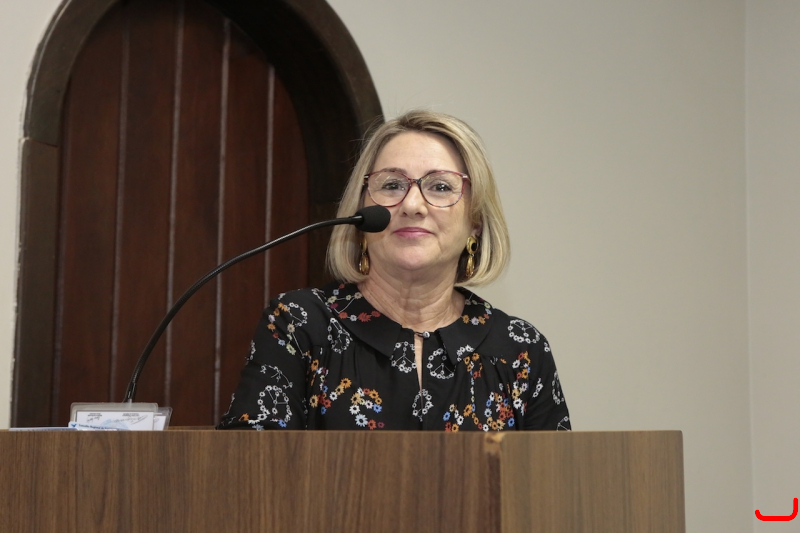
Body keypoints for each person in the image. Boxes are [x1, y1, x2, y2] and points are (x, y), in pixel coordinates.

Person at [217, 110, 570, 431]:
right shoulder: (299, 324)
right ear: (361, 211)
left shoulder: (520, 349)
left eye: (441, 186)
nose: (412, 205)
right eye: (391, 185)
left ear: (475, 220)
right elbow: (251, 470)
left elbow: (551, 479)